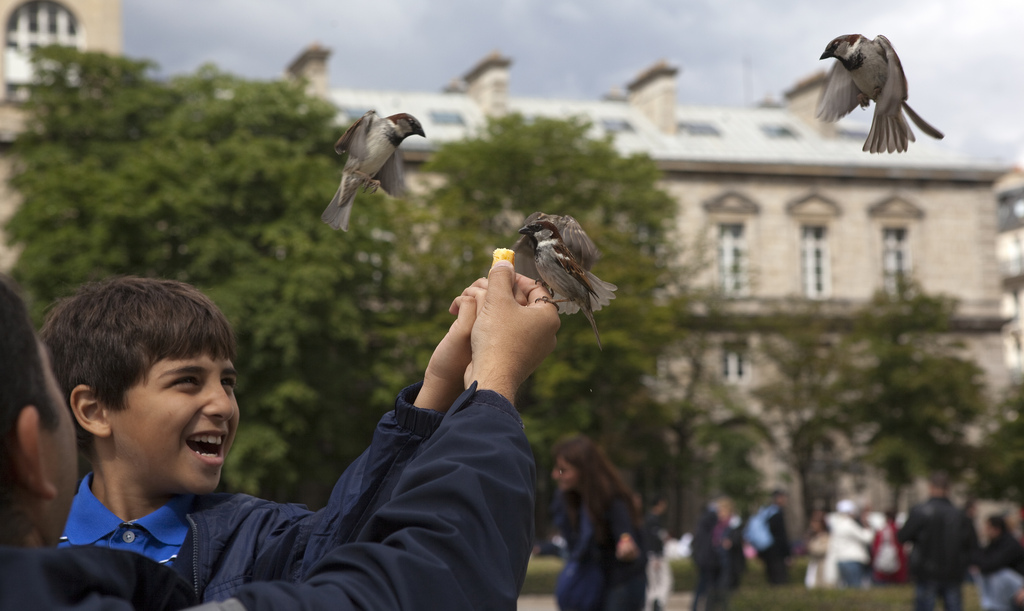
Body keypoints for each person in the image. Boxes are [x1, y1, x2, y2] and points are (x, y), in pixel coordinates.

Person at [14, 260, 560, 609]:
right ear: (93, 410)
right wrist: (496, 383)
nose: (221, 404)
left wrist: (442, 382)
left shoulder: (263, 534)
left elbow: (358, 531)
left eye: (227, 381)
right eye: (186, 382)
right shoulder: (24, 548)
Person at [551, 434, 647, 611]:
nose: (555, 475)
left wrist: (626, 546)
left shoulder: (611, 498)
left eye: (563, 469)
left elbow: (625, 536)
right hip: (601, 583)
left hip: (622, 582)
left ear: (584, 470)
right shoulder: (572, 501)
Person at [898, 471, 978, 611]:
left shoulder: (920, 511)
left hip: (925, 570)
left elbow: (903, 536)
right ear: (949, 488)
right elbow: (972, 544)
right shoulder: (959, 514)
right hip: (953, 571)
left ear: (931, 487)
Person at [695, 496, 744, 611]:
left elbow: (738, 539)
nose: (719, 513)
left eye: (721, 510)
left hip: (728, 563)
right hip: (715, 563)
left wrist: (731, 542)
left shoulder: (734, 524)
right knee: (712, 592)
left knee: (724, 593)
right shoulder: (715, 524)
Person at [970, 515, 1024, 611]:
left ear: (996, 529)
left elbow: (990, 565)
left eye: (987, 528)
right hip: (1008, 590)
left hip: (1017, 586)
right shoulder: (995, 543)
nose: (984, 530)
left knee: (998, 574)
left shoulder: (1009, 544)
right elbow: (977, 560)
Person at [828, 499, 874, 589]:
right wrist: (867, 525)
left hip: (841, 560)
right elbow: (867, 538)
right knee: (855, 588)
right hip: (852, 560)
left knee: (847, 588)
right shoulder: (848, 524)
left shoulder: (836, 524)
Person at [643, 496, 672, 611]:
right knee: (663, 581)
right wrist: (655, 555)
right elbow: (652, 539)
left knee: (653, 583)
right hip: (654, 556)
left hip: (653, 554)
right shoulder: (652, 519)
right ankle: (656, 603)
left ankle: (654, 604)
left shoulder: (652, 518)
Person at [759, 489, 791, 585]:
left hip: (767, 549)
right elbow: (781, 535)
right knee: (780, 580)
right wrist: (787, 554)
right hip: (776, 552)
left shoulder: (767, 512)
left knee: (771, 578)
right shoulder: (777, 514)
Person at [871, 510, 908, 584]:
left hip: (883, 567)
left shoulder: (882, 530)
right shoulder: (897, 530)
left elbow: (875, 547)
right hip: (898, 565)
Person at [804, 509, 833, 589]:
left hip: (825, 567)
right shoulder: (814, 537)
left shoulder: (826, 537)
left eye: (815, 522)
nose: (812, 524)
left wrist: (810, 546)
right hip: (815, 567)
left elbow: (822, 550)